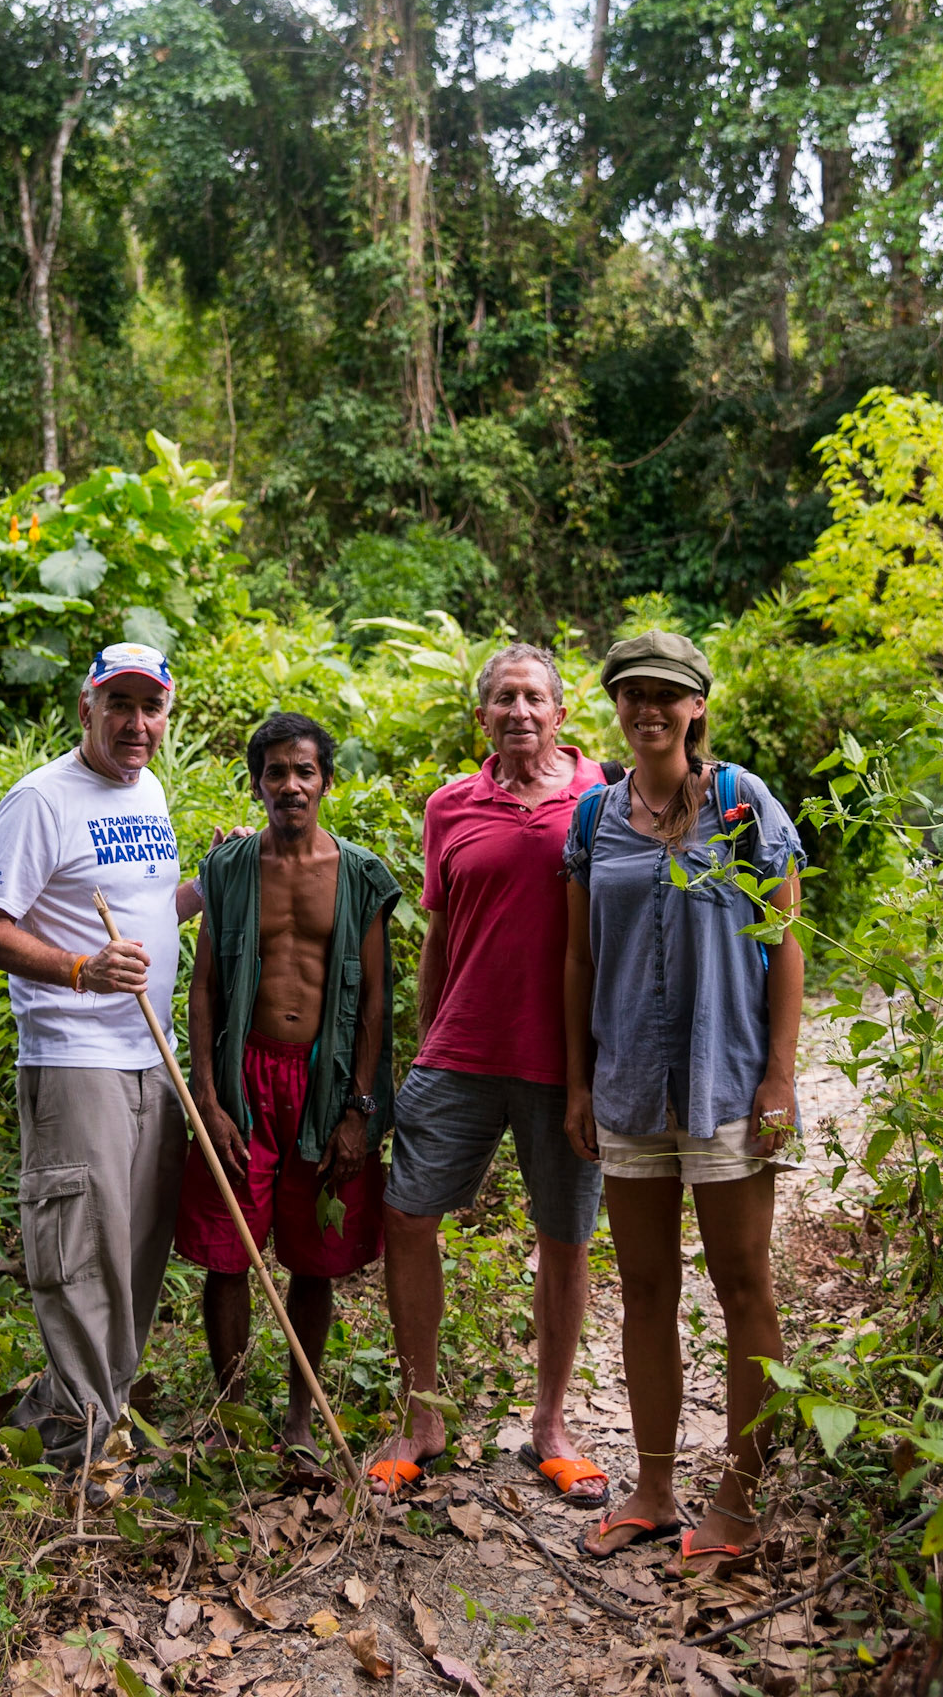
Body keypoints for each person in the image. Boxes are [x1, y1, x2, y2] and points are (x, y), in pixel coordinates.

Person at [562, 629, 805, 1573]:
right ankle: (654, 1491)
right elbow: (579, 958)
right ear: (616, 708)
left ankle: (739, 1501)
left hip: (728, 1082)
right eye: (632, 693)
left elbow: (784, 942)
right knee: (647, 1291)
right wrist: (579, 1080)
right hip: (627, 1084)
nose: (648, 708)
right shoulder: (596, 821)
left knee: (745, 1286)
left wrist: (780, 1076)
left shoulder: (741, 805)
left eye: (667, 693)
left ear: (697, 706)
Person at [0, 641, 227, 1464]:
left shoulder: (148, 790)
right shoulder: (41, 799)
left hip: (154, 1057)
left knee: (137, 1253)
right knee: (81, 1255)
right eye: (120, 705)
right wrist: (81, 969)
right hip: (76, 1058)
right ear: (87, 708)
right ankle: (79, 1453)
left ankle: (77, 1418)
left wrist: (208, 885)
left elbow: (151, 907)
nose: (137, 723)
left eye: (151, 708)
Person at [375, 644, 612, 1504]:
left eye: (534, 698)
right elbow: (440, 929)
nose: (519, 711)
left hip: (567, 1062)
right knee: (405, 1214)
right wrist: (429, 1030)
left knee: (564, 1234)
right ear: (482, 717)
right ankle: (423, 1418)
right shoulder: (450, 806)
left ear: (560, 712)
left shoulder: (603, 799)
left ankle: (550, 1424)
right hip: (462, 1048)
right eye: (503, 699)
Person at [175, 712, 400, 1460]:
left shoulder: (360, 875)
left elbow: (373, 999)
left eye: (305, 771)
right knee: (229, 1252)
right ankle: (234, 1415)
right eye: (276, 772)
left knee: (313, 1256)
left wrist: (359, 1109)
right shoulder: (230, 871)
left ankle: (301, 1418)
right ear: (257, 783)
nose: (291, 785)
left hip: (325, 1084)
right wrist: (208, 1100)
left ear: (325, 781)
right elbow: (203, 989)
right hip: (244, 1081)